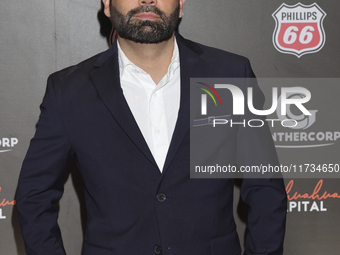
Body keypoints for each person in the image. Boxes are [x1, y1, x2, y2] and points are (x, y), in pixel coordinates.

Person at [16, 0, 287, 254]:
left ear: (181, 5)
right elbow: (34, 198)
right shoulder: (68, 91)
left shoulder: (228, 74)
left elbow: (266, 188)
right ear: (107, 4)